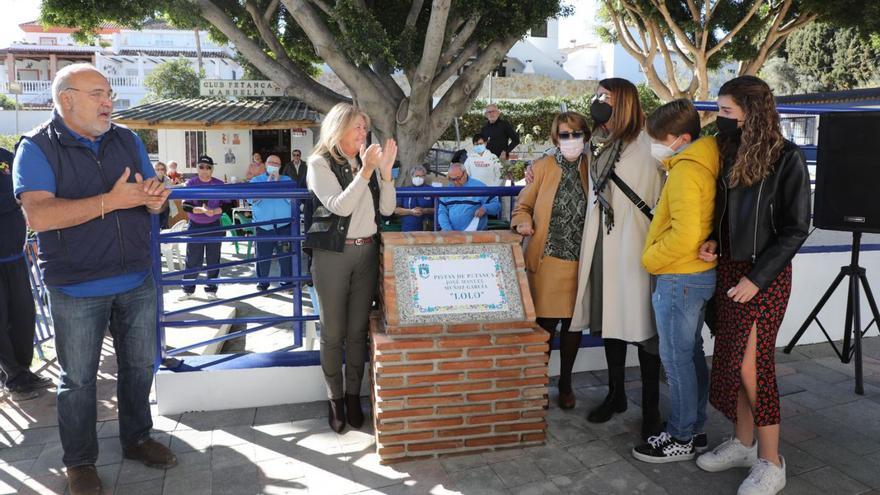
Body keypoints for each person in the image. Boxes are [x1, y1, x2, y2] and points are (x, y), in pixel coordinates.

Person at [13, 63, 176, 495]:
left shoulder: (127, 139)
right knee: (79, 381)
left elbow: (147, 198)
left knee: (139, 366)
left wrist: (156, 199)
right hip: (76, 287)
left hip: (136, 278)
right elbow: (39, 215)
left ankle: (137, 437)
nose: (109, 102)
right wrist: (111, 200)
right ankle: (80, 462)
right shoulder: (36, 148)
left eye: (109, 94)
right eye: (97, 94)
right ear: (66, 99)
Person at [695, 76, 810, 495]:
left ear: (751, 111)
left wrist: (756, 278)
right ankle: (743, 444)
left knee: (753, 367)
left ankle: (771, 461)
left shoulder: (788, 157)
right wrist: (713, 239)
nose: (719, 118)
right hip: (731, 269)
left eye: (726, 111)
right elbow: (727, 214)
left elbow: (796, 229)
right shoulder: (730, 150)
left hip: (765, 276)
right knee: (733, 362)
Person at [570, 77, 664, 441]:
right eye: (597, 96)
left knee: (643, 327)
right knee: (611, 320)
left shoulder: (650, 140)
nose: (599, 102)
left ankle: (652, 408)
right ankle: (616, 394)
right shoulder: (602, 142)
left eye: (605, 97)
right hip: (606, 242)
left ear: (623, 101)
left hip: (640, 244)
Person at [631, 99, 720, 463]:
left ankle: (680, 436)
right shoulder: (704, 162)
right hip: (697, 276)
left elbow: (684, 236)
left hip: (678, 276)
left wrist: (651, 259)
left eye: (660, 138)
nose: (656, 144)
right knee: (691, 355)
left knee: (676, 359)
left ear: (682, 137)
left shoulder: (685, 171)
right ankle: (694, 427)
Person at [304, 103, 397, 433]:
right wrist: (367, 172)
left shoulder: (364, 162)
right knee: (333, 333)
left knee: (358, 332)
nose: (364, 133)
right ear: (338, 127)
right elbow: (338, 207)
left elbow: (387, 209)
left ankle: (354, 396)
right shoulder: (319, 163)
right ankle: (336, 400)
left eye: (365, 128)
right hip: (333, 255)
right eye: (358, 127)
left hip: (366, 252)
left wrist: (385, 173)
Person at [511, 112, 590, 410]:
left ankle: (566, 382)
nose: (571, 139)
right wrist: (523, 223)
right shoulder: (542, 167)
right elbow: (523, 205)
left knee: (573, 327)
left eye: (577, 133)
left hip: (580, 261)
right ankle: (539, 382)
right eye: (565, 134)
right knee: (545, 326)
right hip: (547, 259)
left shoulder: (594, 167)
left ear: (585, 136)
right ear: (555, 138)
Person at [0, 147, 49, 403]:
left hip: (15, 256)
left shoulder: (7, 157)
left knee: (23, 317)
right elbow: (20, 195)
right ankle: (12, 379)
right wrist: (18, 198)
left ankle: (24, 371)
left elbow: (28, 185)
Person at [179, 155, 225, 301]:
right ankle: (188, 289)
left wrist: (216, 211)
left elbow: (229, 204)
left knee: (213, 258)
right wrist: (199, 210)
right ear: (197, 168)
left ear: (212, 169)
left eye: (208, 167)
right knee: (193, 259)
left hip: (214, 225)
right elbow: (185, 205)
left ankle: (211, 289)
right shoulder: (190, 183)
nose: (204, 170)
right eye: (201, 167)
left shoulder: (219, 183)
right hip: (195, 226)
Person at [249, 154, 294, 291]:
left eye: (277, 163)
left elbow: (293, 200)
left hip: (283, 226)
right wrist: (267, 185)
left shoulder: (287, 180)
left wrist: (278, 183)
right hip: (263, 226)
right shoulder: (256, 180)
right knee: (263, 258)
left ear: (280, 166)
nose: (274, 165)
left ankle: (287, 283)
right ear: (266, 164)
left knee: (285, 257)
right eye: (271, 162)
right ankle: (263, 284)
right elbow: (252, 199)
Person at [437, 163, 500, 231]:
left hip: (476, 235)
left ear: (465, 174)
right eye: (452, 179)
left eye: (458, 178)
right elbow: (442, 212)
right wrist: (448, 230)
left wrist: (485, 208)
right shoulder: (448, 189)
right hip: (452, 235)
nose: (455, 182)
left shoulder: (479, 187)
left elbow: (497, 206)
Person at [393, 165, 435, 232]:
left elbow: (439, 209)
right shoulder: (405, 191)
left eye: (421, 176)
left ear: (425, 177)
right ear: (412, 176)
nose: (418, 178)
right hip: (408, 229)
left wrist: (425, 210)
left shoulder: (432, 190)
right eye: (416, 176)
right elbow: (396, 210)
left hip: (428, 229)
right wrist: (410, 212)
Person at [153, 161, 176, 229]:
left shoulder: (167, 179)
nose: (160, 171)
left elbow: (171, 189)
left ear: (165, 170)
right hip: (155, 206)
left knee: (164, 224)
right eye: (157, 169)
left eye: (162, 169)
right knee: (155, 226)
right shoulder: (151, 179)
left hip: (165, 206)